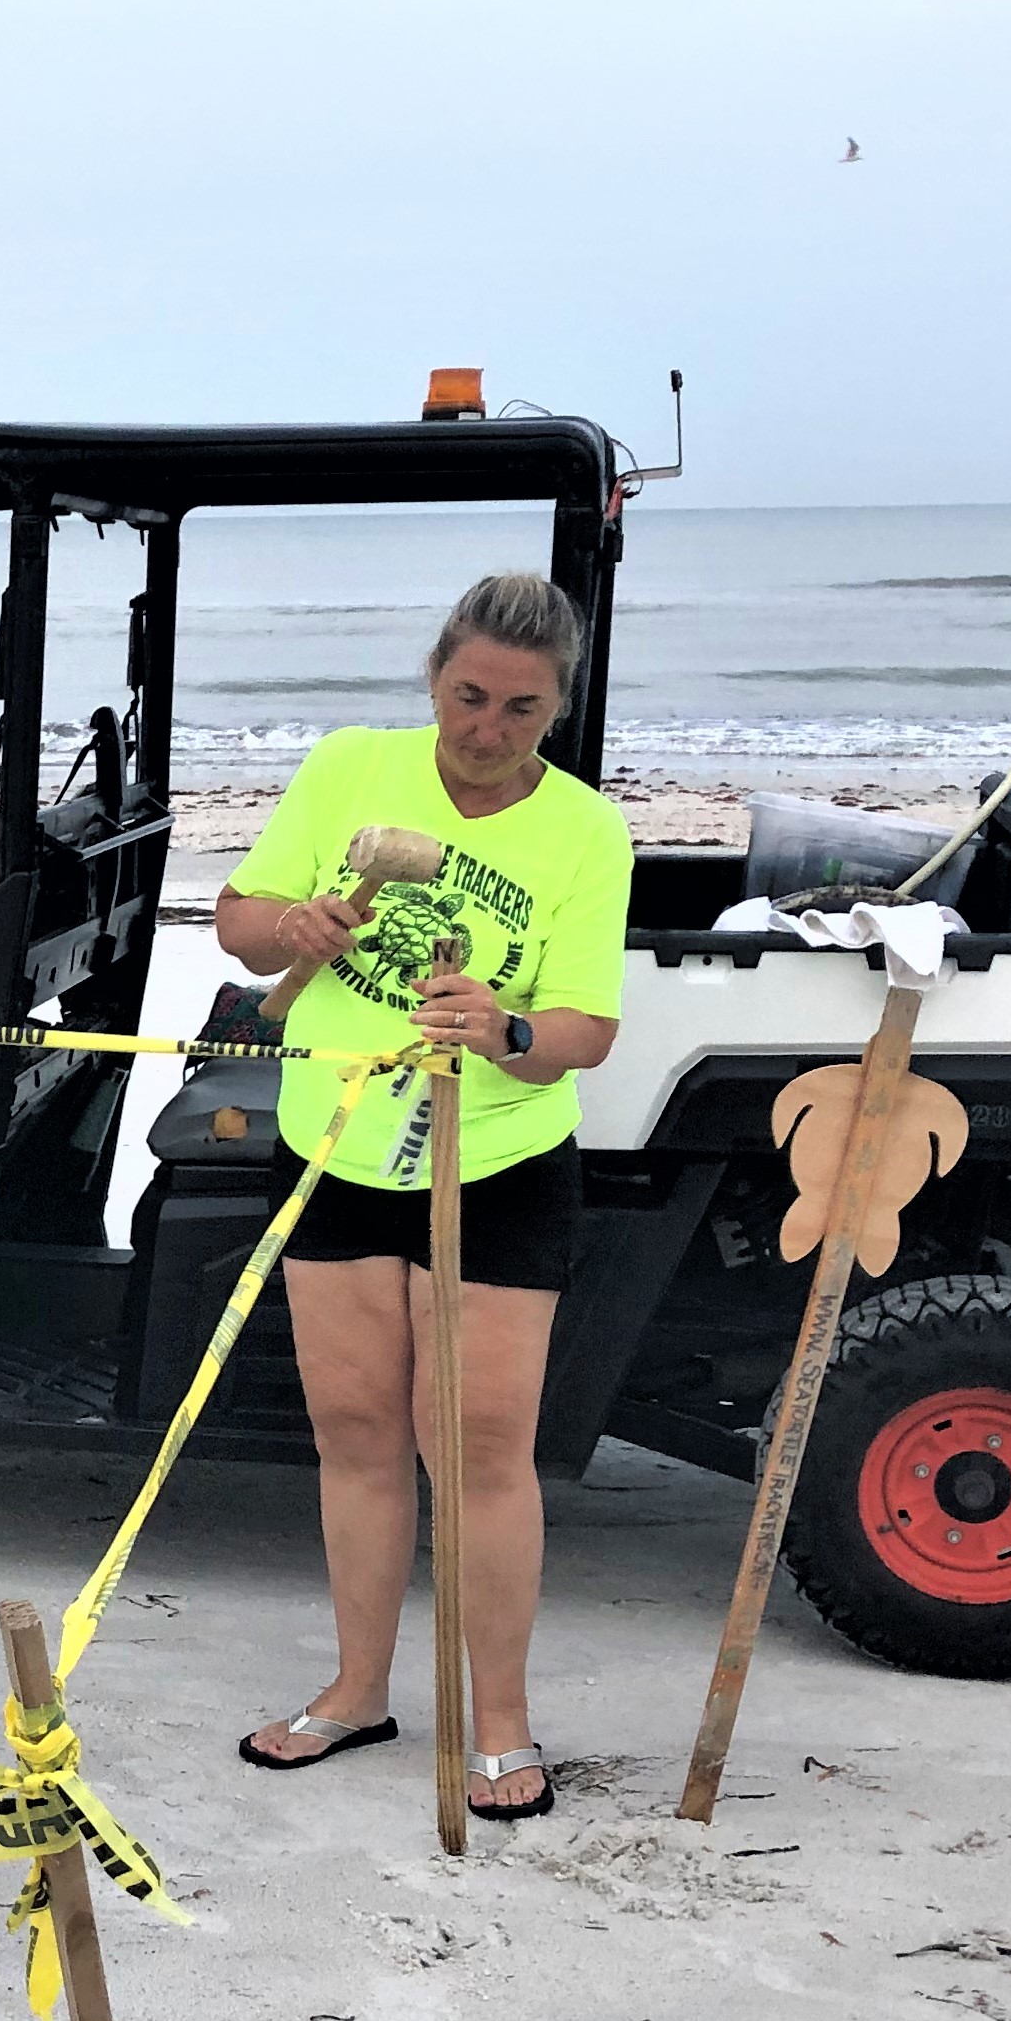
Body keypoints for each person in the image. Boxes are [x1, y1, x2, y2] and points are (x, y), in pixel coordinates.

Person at [213, 573, 631, 1821]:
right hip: (336, 1133)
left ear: (557, 707)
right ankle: (355, 1691)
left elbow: (588, 1029)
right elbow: (235, 925)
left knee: (482, 1446)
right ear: (433, 677)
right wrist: (295, 926)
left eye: (520, 707)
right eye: (467, 696)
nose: (487, 730)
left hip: (493, 1156)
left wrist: (503, 1025)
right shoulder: (351, 768)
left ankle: (497, 1720)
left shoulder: (584, 832)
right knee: (354, 1432)